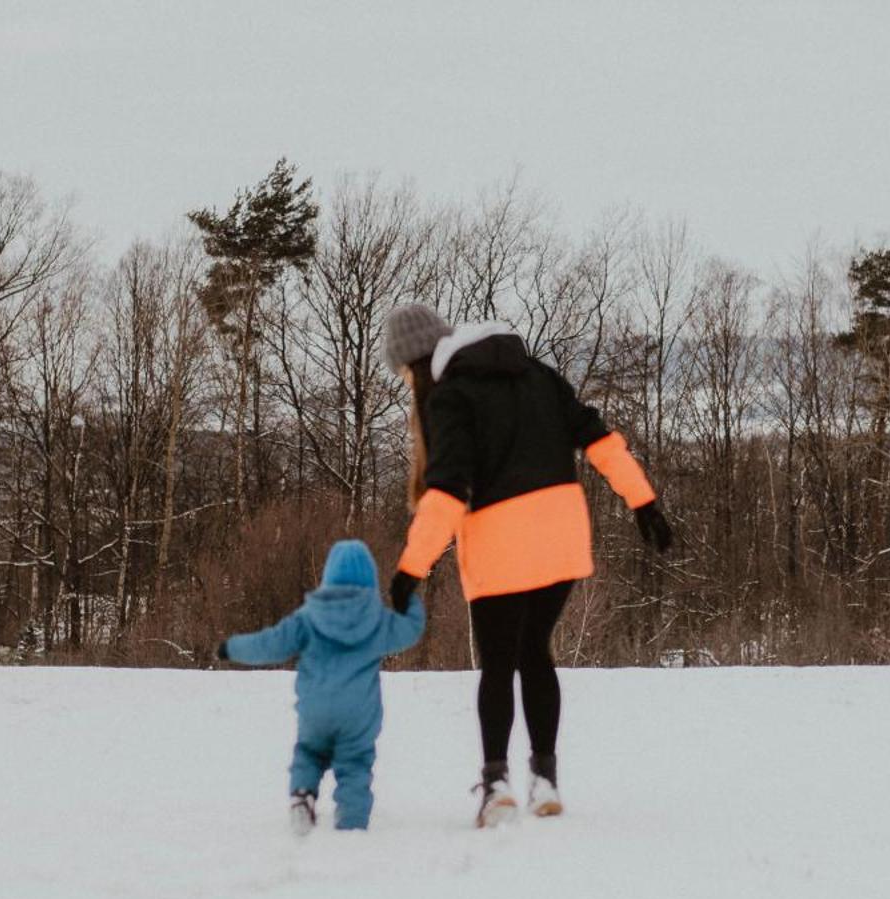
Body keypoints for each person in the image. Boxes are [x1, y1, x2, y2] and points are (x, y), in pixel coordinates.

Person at [382, 305, 672, 826]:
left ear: (415, 367)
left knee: (498, 662)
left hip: (500, 540)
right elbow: (600, 441)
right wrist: (643, 503)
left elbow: (449, 488)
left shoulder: (450, 396)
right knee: (535, 651)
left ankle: (496, 784)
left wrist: (412, 567)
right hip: (562, 534)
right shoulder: (537, 372)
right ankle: (545, 779)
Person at [216, 538, 424, 834]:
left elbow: (269, 643)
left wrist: (231, 648)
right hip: (358, 713)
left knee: (309, 752)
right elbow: (411, 630)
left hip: (316, 710)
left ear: (328, 576)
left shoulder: (309, 617)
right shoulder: (377, 619)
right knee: (355, 763)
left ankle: (302, 796)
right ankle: (351, 824)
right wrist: (409, 600)